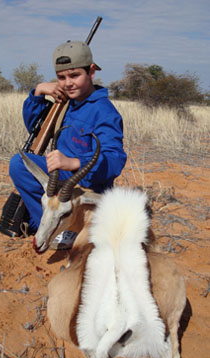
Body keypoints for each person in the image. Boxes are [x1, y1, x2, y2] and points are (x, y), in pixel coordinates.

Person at [9, 40, 127, 248]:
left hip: (87, 183)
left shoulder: (105, 112)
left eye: (74, 75)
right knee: (19, 164)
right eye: (61, 77)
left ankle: (70, 230)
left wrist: (74, 162)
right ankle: (44, 224)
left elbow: (114, 159)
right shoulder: (66, 103)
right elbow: (36, 129)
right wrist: (38, 92)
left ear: (91, 72)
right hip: (60, 177)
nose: (68, 83)